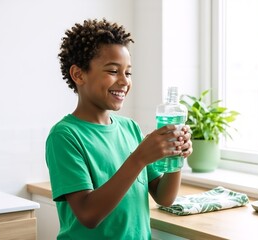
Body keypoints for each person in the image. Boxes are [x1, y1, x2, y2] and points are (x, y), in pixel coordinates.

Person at [45, 19, 192, 239]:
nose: (124, 81)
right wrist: (139, 158)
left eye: (128, 73)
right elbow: (88, 214)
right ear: (78, 75)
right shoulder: (65, 136)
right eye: (113, 71)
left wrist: (176, 157)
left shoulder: (130, 128)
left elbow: (164, 197)